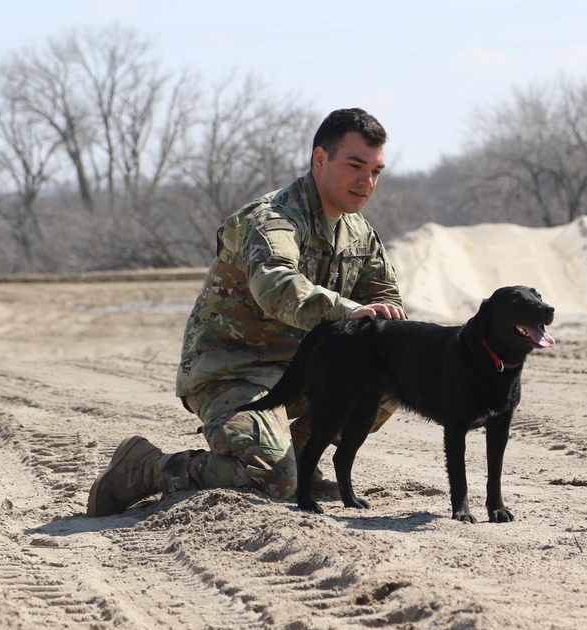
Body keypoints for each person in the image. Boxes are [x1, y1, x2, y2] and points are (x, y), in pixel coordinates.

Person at [87, 108, 406, 517]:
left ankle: (299, 460)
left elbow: (386, 299)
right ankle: (145, 469)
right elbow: (275, 285)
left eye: (377, 171)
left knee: (390, 376)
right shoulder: (274, 218)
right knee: (271, 478)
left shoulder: (359, 232)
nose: (367, 182)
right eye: (356, 166)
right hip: (233, 371)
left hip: (299, 374)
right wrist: (349, 311)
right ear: (320, 159)